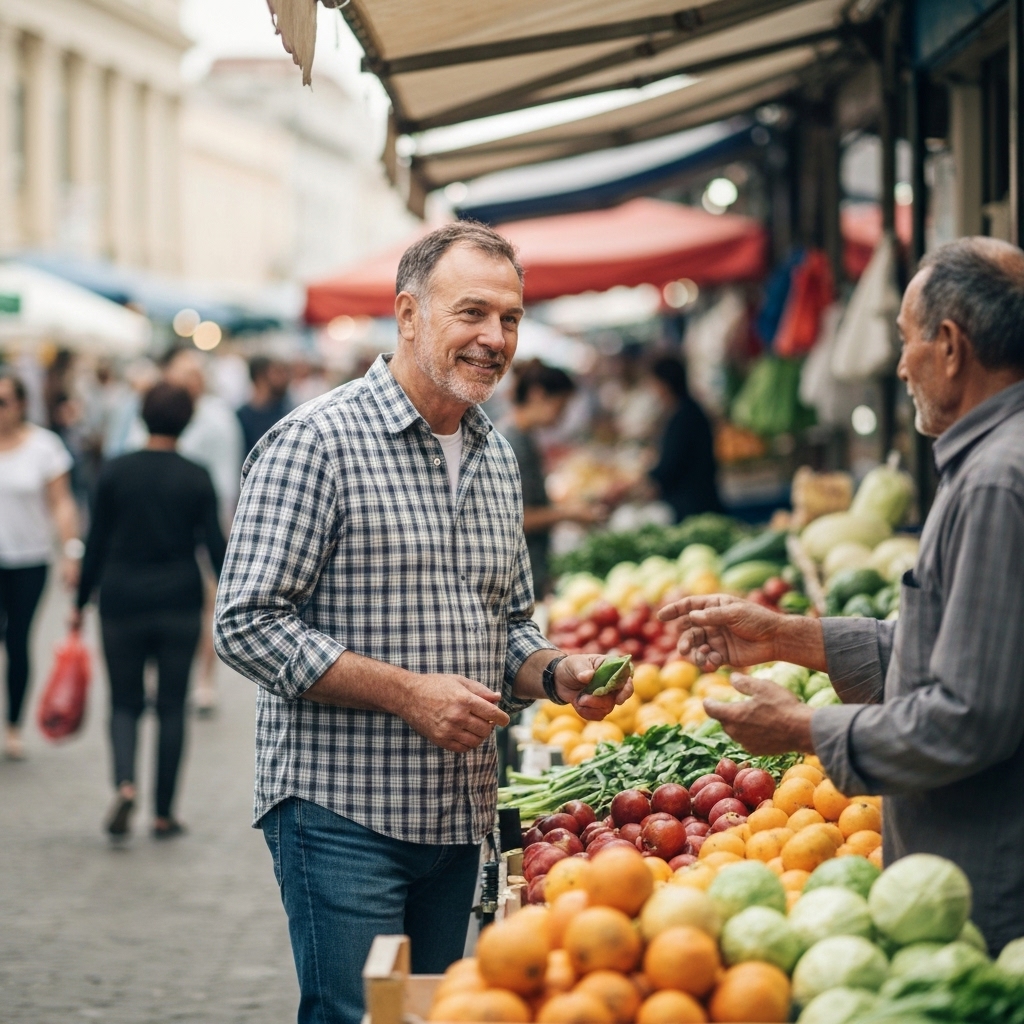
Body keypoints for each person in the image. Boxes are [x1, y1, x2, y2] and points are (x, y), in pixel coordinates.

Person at [214, 221, 633, 1024]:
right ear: (408, 315)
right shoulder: (316, 444)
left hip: (459, 811)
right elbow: (244, 622)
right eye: (472, 312)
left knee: (435, 1013)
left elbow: (505, 622)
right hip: (339, 809)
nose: (495, 337)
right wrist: (408, 693)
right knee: (361, 1014)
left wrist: (556, 673)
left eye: (510, 318)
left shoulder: (495, 454)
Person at [659, 237, 1024, 954]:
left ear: (949, 346)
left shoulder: (996, 482)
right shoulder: (989, 463)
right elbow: (947, 653)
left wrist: (803, 729)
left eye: (905, 341)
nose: (898, 365)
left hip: (987, 886)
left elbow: (968, 717)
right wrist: (784, 636)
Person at [73, 382, 226, 839]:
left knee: (123, 702)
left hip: (120, 599)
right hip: (178, 600)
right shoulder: (196, 475)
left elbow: (95, 543)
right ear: (187, 420)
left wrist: (79, 603)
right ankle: (163, 813)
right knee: (173, 707)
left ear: (141, 416)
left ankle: (124, 784)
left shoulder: (116, 471)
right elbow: (216, 548)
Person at [0, 370, 81, 760]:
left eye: (3, 402)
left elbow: (62, 503)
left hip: (29, 560)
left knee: (17, 641)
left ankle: (13, 725)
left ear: (20, 405)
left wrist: (71, 551)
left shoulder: (43, 447)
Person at [164, 348, 243, 712]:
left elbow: (227, 475)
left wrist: (226, 524)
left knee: (210, 599)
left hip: (206, 518)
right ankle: (167, 674)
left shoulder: (216, 417)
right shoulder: (153, 407)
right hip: (161, 520)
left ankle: (203, 679)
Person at [501, 360, 606, 598]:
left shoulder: (524, 438)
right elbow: (516, 519)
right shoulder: (511, 443)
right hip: (520, 575)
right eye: (561, 405)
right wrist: (569, 513)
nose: (563, 415)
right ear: (538, 395)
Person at [648, 356, 723, 522]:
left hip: (694, 505)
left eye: (654, 383)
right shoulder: (685, 411)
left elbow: (669, 465)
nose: (653, 389)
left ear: (664, 384)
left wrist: (646, 478)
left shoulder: (685, 417)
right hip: (696, 499)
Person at [236, 355, 292, 457]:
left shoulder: (288, 412)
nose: (284, 377)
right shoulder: (241, 416)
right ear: (260, 377)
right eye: (277, 373)